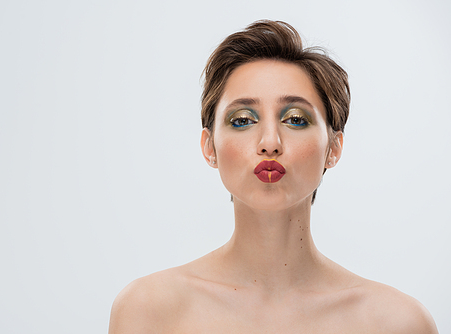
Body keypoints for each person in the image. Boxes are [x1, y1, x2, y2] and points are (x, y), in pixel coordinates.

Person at [109, 20, 438, 333]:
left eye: (295, 119)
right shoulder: (148, 312)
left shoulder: (397, 324)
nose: (269, 143)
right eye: (242, 119)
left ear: (334, 147)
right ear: (209, 146)